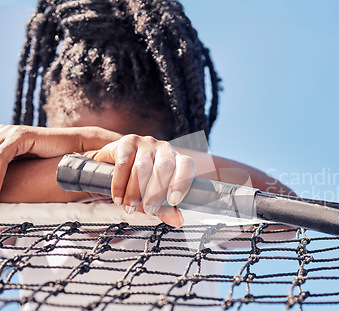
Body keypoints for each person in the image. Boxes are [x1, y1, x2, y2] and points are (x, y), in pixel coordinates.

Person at [0, 0, 292, 228]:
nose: (113, 182)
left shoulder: (188, 209)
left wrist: (161, 164)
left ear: (170, 146)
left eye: (134, 156)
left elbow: (287, 213)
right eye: (112, 162)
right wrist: (84, 148)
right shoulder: (20, 210)